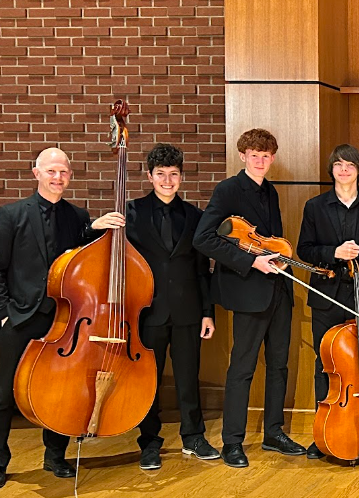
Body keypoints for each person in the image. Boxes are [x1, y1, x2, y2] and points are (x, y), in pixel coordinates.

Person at [0, 148, 123, 489]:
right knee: (3, 393)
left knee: (61, 389)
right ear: (36, 173)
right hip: (22, 317)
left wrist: (96, 227)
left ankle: (54, 456)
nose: (58, 177)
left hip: (64, 320)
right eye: (52, 171)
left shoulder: (77, 216)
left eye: (64, 172)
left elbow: (82, 257)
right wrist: (3, 314)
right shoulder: (11, 215)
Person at [193, 128, 305, 468]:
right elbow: (204, 239)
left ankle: (273, 432)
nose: (260, 160)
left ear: (272, 158)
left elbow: (268, 240)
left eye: (266, 156)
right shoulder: (228, 189)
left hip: (278, 292)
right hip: (247, 293)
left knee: (278, 366)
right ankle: (232, 442)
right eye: (254, 155)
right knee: (241, 369)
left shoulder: (270, 191)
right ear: (242, 155)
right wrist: (251, 261)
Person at [125, 143, 219, 469]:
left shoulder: (195, 216)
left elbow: (202, 268)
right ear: (149, 176)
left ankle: (194, 437)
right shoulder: (130, 213)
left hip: (188, 311)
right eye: (161, 174)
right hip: (146, 312)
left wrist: (208, 312)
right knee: (148, 380)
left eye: (174, 174)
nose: (168, 180)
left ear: (182, 177)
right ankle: (149, 442)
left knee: (188, 378)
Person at [295, 144, 359, 459]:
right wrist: (333, 252)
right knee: (327, 368)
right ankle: (324, 433)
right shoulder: (315, 206)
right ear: (331, 170)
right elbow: (304, 250)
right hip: (327, 296)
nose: (344, 170)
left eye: (350, 164)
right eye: (338, 164)